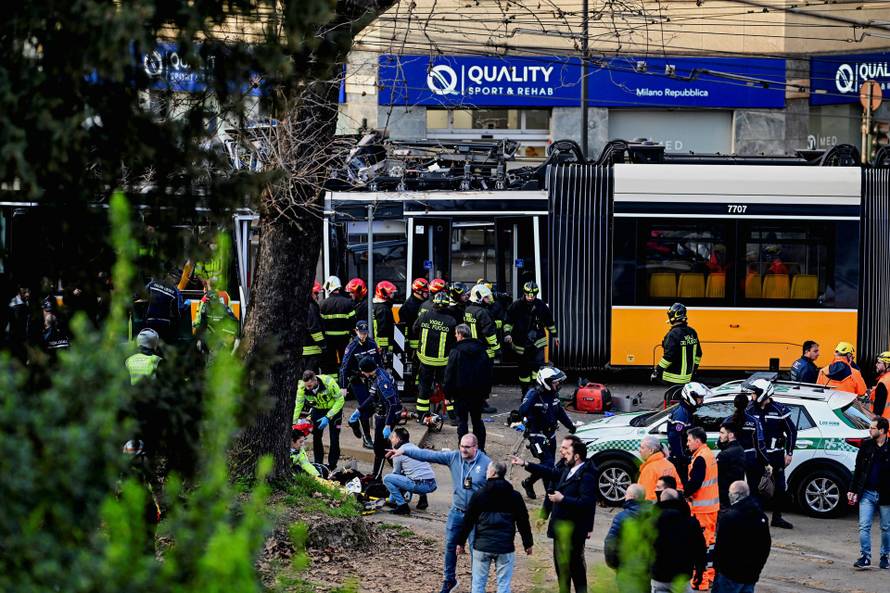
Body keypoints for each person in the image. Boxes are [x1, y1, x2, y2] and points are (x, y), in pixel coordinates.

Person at [389, 433, 491, 593]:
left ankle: (476, 587)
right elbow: (430, 455)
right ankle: (449, 580)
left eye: (467, 447)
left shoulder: (486, 464)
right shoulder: (454, 457)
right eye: (461, 446)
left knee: (475, 551)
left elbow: (496, 488)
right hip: (456, 512)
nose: (463, 450)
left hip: (476, 516)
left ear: (475, 447)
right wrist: (405, 452)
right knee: (450, 546)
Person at [511, 435, 597, 593]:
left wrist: (563, 499)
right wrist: (526, 463)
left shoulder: (587, 475)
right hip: (560, 528)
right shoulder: (567, 468)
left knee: (575, 567)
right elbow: (550, 474)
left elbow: (587, 503)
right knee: (561, 566)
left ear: (577, 456)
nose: (562, 453)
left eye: (566, 450)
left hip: (574, 530)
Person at [455, 461, 533, 593]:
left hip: (482, 546)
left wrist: (460, 542)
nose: (486, 473)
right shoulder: (515, 496)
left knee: (478, 584)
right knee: (504, 585)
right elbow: (523, 521)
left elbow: (468, 521)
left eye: (487, 471)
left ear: (492, 473)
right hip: (505, 547)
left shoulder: (479, 495)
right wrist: (528, 543)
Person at [516, 366, 576, 500]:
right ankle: (550, 494)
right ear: (546, 382)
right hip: (537, 436)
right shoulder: (533, 394)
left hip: (551, 436)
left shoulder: (554, 394)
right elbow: (522, 411)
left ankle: (529, 482)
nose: (558, 385)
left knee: (547, 467)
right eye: (555, 383)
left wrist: (571, 426)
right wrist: (536, 394)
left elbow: (559, 412)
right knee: (548, 465)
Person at [746, 378, 797, 529]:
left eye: (754, 394)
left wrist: (789, 453)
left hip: (775, 456)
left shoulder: (779, 410)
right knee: (754, 488)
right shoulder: (749, 409)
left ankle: (777, 517)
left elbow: (791, 431)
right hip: (756, 457)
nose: (752, 397)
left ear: (763, 394)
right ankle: (757, 519)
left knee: (780, 488)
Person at [713, 481, 771, 593]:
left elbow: (721, 548)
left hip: (730, 575)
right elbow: (765, 546)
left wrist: (718, 568)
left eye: (730, 493)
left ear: (736, 495)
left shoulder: (729, 518)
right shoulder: (760, 516)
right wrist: (757, 570)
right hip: (751, 574)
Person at [504, 281, 558, 398]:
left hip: (538, 342)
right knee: (523, 370)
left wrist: (555, 336)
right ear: (524, 293)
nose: (530, 297)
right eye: (529, 295)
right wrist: (507, 334)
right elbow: (508, 321)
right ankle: (525, 393)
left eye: (533, 295)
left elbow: (549, 321)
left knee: (537, 368)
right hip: (521, 343)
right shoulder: (516, 305)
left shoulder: (540, 305)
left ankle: (536, 392)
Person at [848, 416, 890, 569]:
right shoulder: (866, 445)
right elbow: (858, 469)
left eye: (872, 428)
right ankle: (865, 556)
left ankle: (885, 556)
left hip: (886, 494)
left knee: (885, 527)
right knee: (864, 526)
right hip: (867, 492)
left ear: (882, 430)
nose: (869, 430)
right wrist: (852, 490)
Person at [445, 324, 493, 446]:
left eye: (456, 334)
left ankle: (464, 449)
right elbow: (488, 372)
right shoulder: (481, 349)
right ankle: (480, 448)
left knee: (462, 422)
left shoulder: (456, 350)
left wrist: (447, 395)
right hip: (478, 393)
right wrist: (486, 392)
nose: (455, 336)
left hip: (460, 394)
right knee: (477, 420)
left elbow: (449, 374)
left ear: (461, 335)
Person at [651, 488, 706, 593]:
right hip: (681, 577)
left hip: (658, 576)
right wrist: (700, 570)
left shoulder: (650, 522)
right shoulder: (691, 523)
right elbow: (700, 549)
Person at [685, 427, 719, 590]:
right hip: (711, 507)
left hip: (702, 509)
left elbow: (696, 483)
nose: (687, 443)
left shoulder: (700, 458)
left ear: (697, 441)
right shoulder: (708, 454)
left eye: (689, 440)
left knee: (701, 546)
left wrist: (684, 493)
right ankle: (710, 575)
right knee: (710, 544)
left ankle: (701, 581)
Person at [356, 356, 402, 479]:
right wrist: (359, 410)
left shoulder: (382, 381)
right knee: (384, 447)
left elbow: (392, 404)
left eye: (363, 371)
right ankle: (399, 472)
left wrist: (387, 425)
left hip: (388, 416)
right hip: (381, 414)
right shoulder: (377, 374)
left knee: (379, 448)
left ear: (367, 370)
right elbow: (372, 397)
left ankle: (377, 476)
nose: (362, 373)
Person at [413, 291, 457, 419]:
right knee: (446, 388)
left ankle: (422, 414)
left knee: (424, 387)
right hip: (443, 362)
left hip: (425, 359)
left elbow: (415, 329)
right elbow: (454, 340)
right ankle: (453, 416)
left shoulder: (424, 315)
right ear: (447, 305)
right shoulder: (451, 321)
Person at [340, 320, 382, 449]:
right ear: (356, 331)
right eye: (361, 333)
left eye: (365, 333)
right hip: (357, 379)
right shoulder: (352, 347)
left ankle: (356, 422)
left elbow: (378, 362)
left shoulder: (372, 343)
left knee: (375, 406)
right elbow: (344, 368)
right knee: (366, 407)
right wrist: (343, 386)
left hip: (371, 377)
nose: (363, 335)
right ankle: (367, 438)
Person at [293, 370, 345, 470]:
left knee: (334, 438)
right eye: (306, 386)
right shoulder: (302, 387)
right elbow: (298, 405)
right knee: (316, 437)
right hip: (318, 409)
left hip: (334, 408)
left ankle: (332, 465)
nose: (308, 388)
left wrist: (328, 416)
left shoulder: (329, 382)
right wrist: (294, 422)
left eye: (310, 386)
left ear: (315, 380)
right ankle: (318, 463)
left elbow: (340, 400)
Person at [383, 427, 437, 514]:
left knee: (387, 478)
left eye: (393, 437)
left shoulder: (399, 452)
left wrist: (391, 498)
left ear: (398, 439)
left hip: (420, 485)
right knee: (412, 473)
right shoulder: (415, 447)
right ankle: (423, 500)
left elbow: (396, 474)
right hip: (432, 484)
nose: (391, 439)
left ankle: (402, 506)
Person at [652, 302, 702, 396]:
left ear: (673, 316)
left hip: (673, 378)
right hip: (687, 378)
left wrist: (657, 370)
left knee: (672, 402)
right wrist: (694, 370)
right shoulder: (692, 332)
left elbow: (668, 357)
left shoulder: (673, 334)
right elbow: (699, 354)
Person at [726, 392, 768, 498]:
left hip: (733, 458)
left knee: (733, 489)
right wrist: (765, 462)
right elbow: (759, 444)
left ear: (734, 405)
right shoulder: (754, 421)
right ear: (747, 404)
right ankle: (750, 512)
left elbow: (721, 442)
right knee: (753, 490)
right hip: (750, 458)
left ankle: (735, 511)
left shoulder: (727, 421)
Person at [667, 381, 709, 486]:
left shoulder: (687, 410)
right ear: (691, 397)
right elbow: (674, 437)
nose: (702, 401)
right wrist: (683, 458)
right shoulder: (681, 415)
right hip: (680, 461)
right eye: (700, 398)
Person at [604, 484, 649, 570]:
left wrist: (614, 565)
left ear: (631, 497)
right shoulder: (653, 515)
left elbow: (610, 543)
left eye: (626, 494)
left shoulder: (621, 517)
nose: (625, 496)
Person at [319, 276, 356, 373]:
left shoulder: (322, 304)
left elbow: (321, 324)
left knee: (331, 363)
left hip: (329, 340)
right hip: (344, 339)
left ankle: (333, 383)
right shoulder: (348, 303)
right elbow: (353, 322)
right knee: (345, 362)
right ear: (338, 287)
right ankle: (345, 382)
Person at [638, 435, 681, 501]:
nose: (639, 450)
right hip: (672, 505)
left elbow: (647, 497)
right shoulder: (669, 465)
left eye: (642, 448)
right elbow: (679, 488)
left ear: (651, 451)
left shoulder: (649, 469)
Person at [143, 276, 184, 344]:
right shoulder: (174, 291)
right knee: (163, 347)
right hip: (165, 323)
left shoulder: (152, 284)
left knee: (149, 344)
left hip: (151, 320)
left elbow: (138, 294)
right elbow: (177, 312)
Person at [716, 422, 747, 509]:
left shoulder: (724, 454)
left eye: (722, 433)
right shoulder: (740, 450)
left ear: (731, 435)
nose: (720, 435)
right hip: (736, 492)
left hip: (724, 494)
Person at [467, 284, 500, 361]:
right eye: (486, 297)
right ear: (478, 297)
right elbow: (489, 333)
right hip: (484, 351)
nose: (488, 299)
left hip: (470, 349)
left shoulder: (468, 309)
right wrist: (496, 348)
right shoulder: (483, 312)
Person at [301, 281, 327, 374]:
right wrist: (323, 344)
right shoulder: (311, 307)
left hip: (308, 350)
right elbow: (314, 329)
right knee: (310, 378)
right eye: (315, 293)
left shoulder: (306, 305)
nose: (317, 296)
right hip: (311, 351)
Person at [400, 278, 429, 354]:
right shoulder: (407, 307)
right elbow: (405, 327)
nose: (427, 293)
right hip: (413, 344)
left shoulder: (423, 302)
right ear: (418, 291)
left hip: (423, 341)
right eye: (425, 291)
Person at [372, 280, 397, 356]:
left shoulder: (375, 305)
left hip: (376, 342)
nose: (393, 295)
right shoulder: (383, 309)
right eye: (391, 293)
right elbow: (383, 329)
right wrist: (383, 347)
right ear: (384, 294)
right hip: (381, 344)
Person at [870, 351, 890, 419]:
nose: (876, 365)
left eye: (879, 363)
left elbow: (877, 411)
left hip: (884, 424)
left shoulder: (883, 382)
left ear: (887, 365)